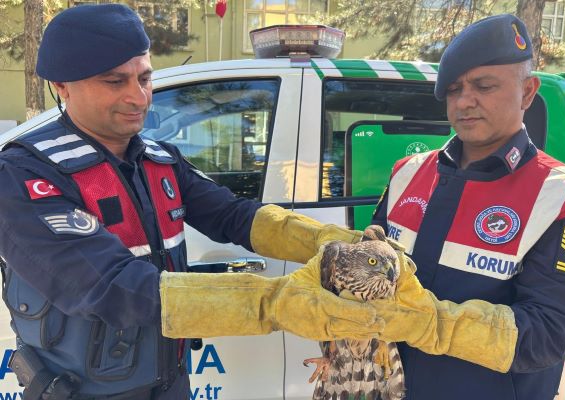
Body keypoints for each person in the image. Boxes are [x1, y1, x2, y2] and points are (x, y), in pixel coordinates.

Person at [0, 4, 381, 399]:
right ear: (62, 86)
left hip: (171, 383)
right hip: (86, 391)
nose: (138, 97)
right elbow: (112, 288)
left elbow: (234, 216)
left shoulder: (159, 159)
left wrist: (336, 244)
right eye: (115, 81)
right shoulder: (22, 175)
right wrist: (280, 303)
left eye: (145, 77)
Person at [369, 14, 565, 400]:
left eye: (483, 85)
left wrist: (427, 323)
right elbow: (374, 265)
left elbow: (546, 334)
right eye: (455, 88)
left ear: (528, 92)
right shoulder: (407, 172)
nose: (465, 101)